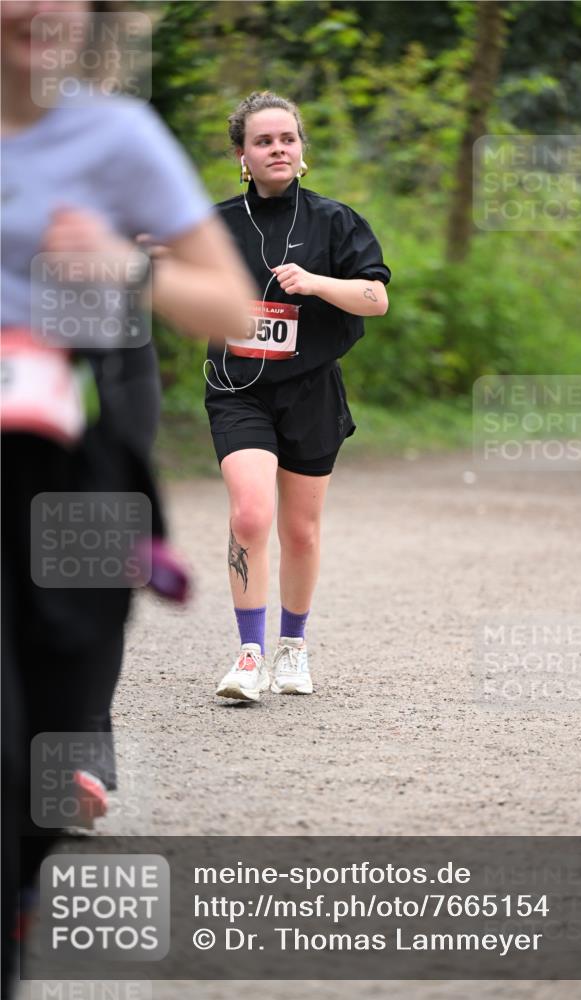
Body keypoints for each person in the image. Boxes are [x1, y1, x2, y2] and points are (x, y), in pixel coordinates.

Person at [1, 2, 255, 992]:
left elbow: (230, 304)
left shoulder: (115, 135)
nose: (42, 9)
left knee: (42, 763)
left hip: (67, 466)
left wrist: (127, 268)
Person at [205, 91, 390, 703]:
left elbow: (376, 298)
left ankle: (294, 649)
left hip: (312, 389)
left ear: (302, 152)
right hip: (238, 389)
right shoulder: (216, 225)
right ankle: (250, 655)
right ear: (243, 156)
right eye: (263, 141)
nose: (277, 148)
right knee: (250, 515)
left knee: (301, 531)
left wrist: (315, 283)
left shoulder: (336, 221)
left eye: (287, 139)